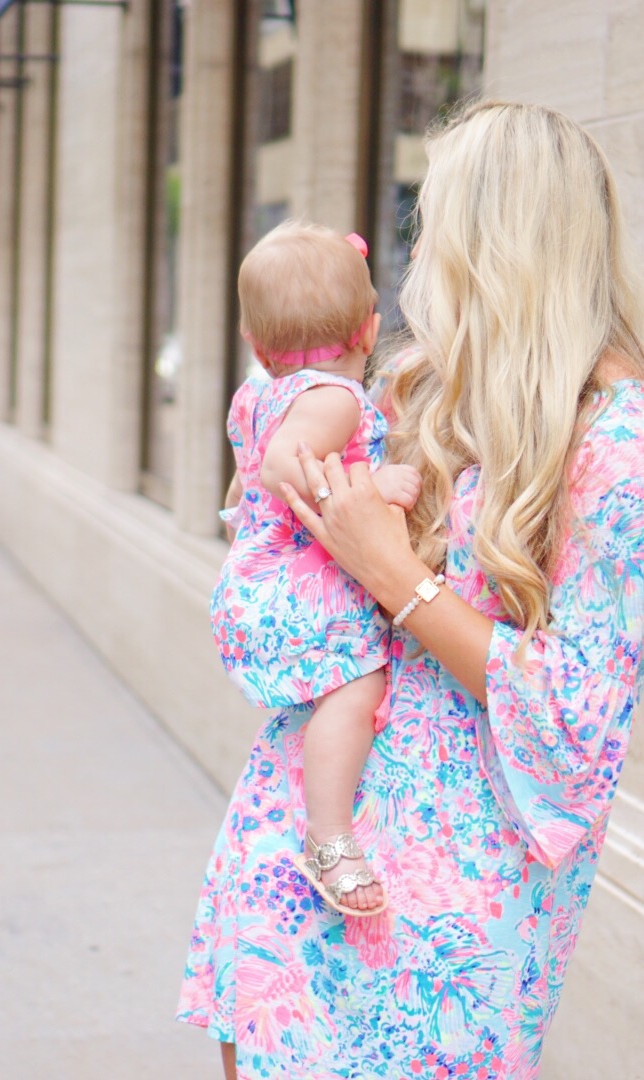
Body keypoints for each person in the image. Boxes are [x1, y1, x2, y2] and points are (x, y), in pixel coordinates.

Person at [177, 100, 644, 1080]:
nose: (419, 249)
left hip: (455, 889)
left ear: (493, 242)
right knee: (250, 1046)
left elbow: (576, 714)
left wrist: (391, 572)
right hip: (311, 829)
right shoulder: (425, 392)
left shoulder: (618, 443)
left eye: (433, 222)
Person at [213, 222, 421, 916]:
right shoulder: (333, 399)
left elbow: (244, 482)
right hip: (300, 593)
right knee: (356, 686)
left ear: (253, 341)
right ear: (369, 330)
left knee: (336, 690)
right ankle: (330, 837)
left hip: (260, 583)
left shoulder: (256, 395)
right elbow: (280, 467)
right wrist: (372, 484)